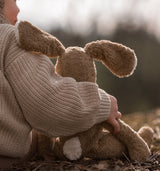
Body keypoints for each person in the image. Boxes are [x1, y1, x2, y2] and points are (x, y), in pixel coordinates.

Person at [0, 0, 121, 168]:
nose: (18, 9)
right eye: (13, 1)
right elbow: (47, 103)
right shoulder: (9, 38)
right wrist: (102, 103)